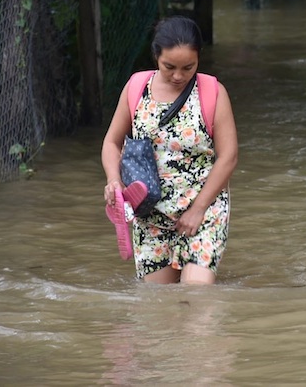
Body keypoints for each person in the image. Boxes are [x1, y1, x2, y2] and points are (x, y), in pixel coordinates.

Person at [102, 16, 238, 284]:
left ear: (199, 58)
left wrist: (198, 209)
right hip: (151, 214)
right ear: (156, 56)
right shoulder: (136, 88)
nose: (178, 76)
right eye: (169, 67)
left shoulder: (213, 92)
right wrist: (113, 180)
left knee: (196, 293)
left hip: (203, 210)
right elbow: (111, 142)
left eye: (188, 67)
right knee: (158, 305)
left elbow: (229, 156)